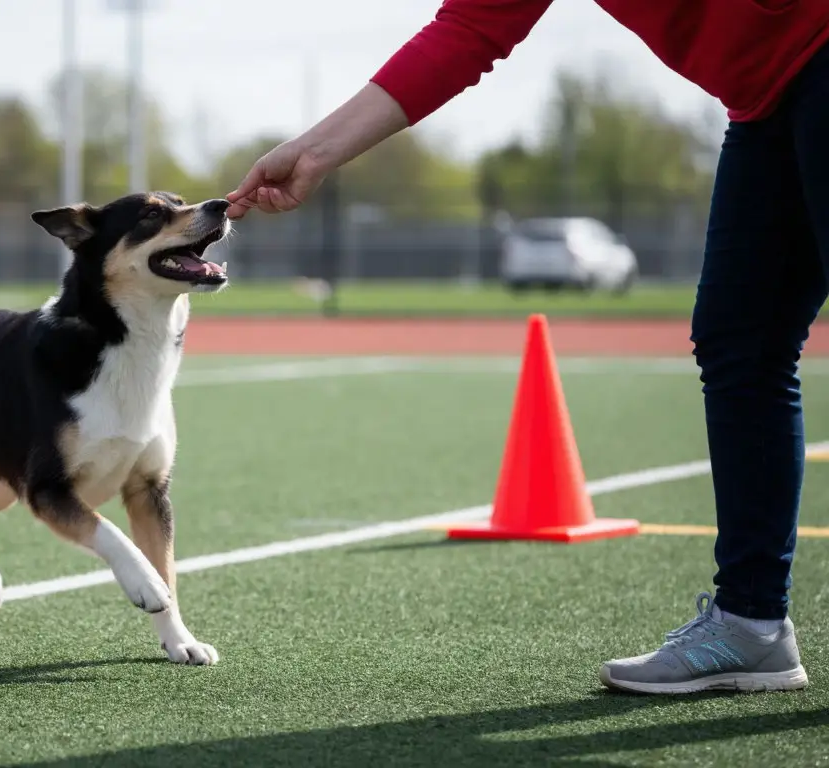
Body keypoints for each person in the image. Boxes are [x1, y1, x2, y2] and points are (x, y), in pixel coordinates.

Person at [227, 0, 829, 695]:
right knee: (740, 343)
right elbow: (471, 28)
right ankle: (751, 623)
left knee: (744, 344)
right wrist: (316, 150)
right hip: (764, 100)